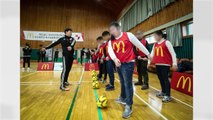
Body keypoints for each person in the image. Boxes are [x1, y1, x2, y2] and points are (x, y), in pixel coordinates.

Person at [108, 22, 150, 119]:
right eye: (110, 31)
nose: (112, 32)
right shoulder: (111, 41)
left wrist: (148, 54)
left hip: (128, 64)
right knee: (122, 82)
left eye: (113, 30)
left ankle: (129, 105)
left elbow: (139, 45)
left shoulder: (128, 35)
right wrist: (114, 59)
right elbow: (110, 50)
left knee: (127, 84)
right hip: (119, 64)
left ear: (118, 28)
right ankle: (122, 98)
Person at [148, 30, 177, 102]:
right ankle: (163, 92)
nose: (154, 37)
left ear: (160, 36)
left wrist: (174, 64)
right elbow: (152, 55)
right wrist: (148, 62)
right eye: (154, 36)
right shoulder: (155, 44)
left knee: (165, 79)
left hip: (165, 65)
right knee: (160, 79)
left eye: (155, 36)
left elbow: (173, 54)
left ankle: (168, 95)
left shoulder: (167, 42)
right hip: (158, 64)